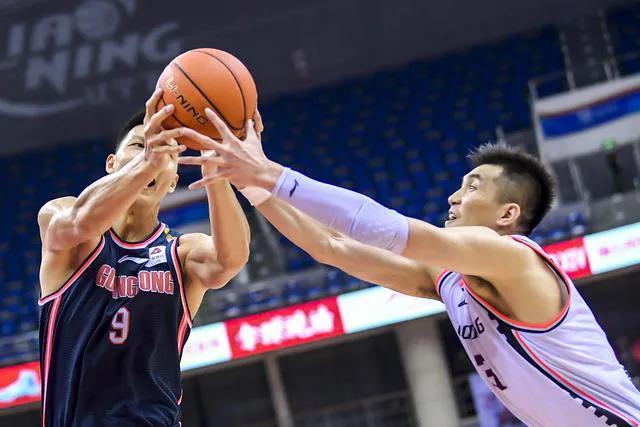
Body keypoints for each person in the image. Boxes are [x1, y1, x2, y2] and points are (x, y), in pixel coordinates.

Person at [179, 112, 640, 426]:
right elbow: (331, 246)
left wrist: (270, 173)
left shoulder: (514, 256)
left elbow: (389, 229)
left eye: (472, 187)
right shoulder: (450, 280)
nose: (454, 197)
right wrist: (252, 187)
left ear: (507, 214)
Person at [37, 88, 251, 427]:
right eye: (139, 146)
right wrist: (148, 161)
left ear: (173, 183)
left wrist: (216, 170)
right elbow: (80, 221)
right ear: (111, 165)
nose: (151, 154)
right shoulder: (64, 219)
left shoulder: (180, 253)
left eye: (165, 153)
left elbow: (231, 260)